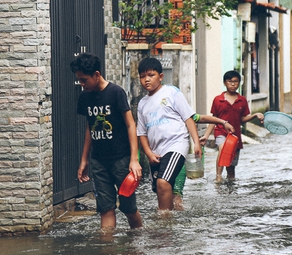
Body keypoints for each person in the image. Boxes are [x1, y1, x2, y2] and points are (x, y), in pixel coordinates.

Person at [71, 52, 143, 230]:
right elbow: (90, 128)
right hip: (98, 161)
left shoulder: (115, 92)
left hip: (121, 160)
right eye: (79, 80)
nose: (82, 84)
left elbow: (130, 125)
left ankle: (138, 243)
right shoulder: (85, 97)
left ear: (97, 75)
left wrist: (134, 159)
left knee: (128, 207)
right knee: (105, 208)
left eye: (84, 80)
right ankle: (107, 253)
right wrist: (84, 160)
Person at [136, 57, 202, 212]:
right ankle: (174, 216)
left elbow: (188, 118)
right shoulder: (142, 103)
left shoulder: (172, 93)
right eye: (142, 76)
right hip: (156, 151)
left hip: (176, 144)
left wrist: (196, 142)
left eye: (151, 75)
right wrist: (148, 153)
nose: (146, 80)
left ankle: (164, 222)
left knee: (163, 183)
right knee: (161, 189)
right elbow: (142, 133)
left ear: (160, 76)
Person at [201, 70, 264, 182]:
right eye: (230, 81)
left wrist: (254, 115)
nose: (233, 84)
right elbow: (213, 119)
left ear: (239, 83)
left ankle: (231, 186)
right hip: (221, 132)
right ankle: (218, 177)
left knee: (231, 167)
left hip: (235, 135)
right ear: (225, 83)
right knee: (223, 149)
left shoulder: (242, 100)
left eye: (236, 81)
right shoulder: (218, 100)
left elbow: (242, 119)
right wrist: (206, 135)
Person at [172, 114, 235, 210]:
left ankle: (176, 220)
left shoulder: (181, 109)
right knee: (164, 193)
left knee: (176, 195)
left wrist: (223, 122)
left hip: (179, 157)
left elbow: (201, 118)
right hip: (160, 158)